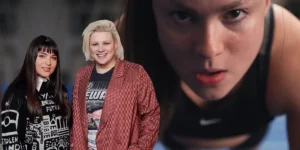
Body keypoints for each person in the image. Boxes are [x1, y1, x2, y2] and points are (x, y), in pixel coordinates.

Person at [118, 0, 300, 149]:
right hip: (173, 138)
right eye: (182, 16)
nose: (209, 50)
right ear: (152, 11)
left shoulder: (291, 49)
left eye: (235, 13)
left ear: (266, 3)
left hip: (248, 139)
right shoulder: (124, 47)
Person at [70, 20, 160, 150]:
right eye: (95, 44)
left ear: (115, 44)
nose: (100, 49)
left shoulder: (135, 73)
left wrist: (139, 148)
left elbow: (151, 115)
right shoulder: (81, 76)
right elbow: (75, 118)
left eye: (106, 43)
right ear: (89, 47)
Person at [1, 35, 72, 150]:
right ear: (32, 58)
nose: (48, 62)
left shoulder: (61, 90)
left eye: (53, 57)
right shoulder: (15, 93)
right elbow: (9, 142)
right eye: (42, 56)